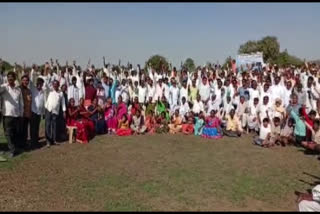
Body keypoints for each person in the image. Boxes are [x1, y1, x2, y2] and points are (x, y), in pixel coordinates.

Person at [0, 72, 24, 157]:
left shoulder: (18, 89)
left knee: (15, 133)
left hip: (16, 115)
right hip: (7, 114)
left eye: (11, 79)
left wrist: (21, 114)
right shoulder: (5, 88)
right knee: (8, 133)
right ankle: (12, 150)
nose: (10, 80)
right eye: (8, 78)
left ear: (14, 79)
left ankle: (15, 148)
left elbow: (21, 103)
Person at [44, 80, 66, 148]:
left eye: (56, 84)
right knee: (48, 125)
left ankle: (54, 140)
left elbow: (63, 103)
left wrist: (64, 111)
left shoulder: (61, 93)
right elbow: (46, 85)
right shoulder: (49, 91)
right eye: (54, 84)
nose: (55, 85)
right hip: (48, 110)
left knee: (54, 126)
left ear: (58, 85)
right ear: (52, 85)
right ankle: (48, 141)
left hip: (55, 111)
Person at [19, 75, 32, 150]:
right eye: (24, 80)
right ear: (21, 80)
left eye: (26, 80)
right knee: (19, 130)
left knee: (25, 130)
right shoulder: (18, 89)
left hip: (26, 113)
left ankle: (24, 144)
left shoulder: (28, 90)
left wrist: (29, 112)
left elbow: (29, 101)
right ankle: (19, 145)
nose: (25, 82)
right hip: (19, 113)